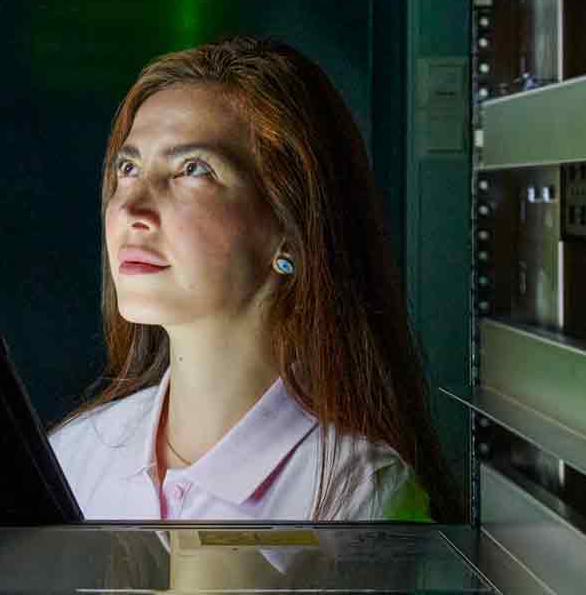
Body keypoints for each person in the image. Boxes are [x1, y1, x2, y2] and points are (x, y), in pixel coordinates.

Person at [49, 35, 459, 524]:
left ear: (290, 228)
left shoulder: (359, 492)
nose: (132, 209)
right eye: (129, 167)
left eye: (191, 169)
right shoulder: (72, 458)